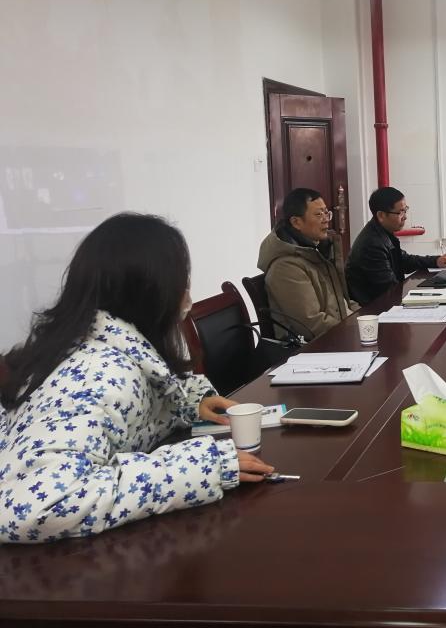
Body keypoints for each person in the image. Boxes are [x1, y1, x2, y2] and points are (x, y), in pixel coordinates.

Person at [0, 213, 273, 544]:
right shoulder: (99, 373)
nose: (186, 295)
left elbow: (128, 414)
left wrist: (187, 403)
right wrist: (197, 468)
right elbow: (36, 507)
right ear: (150, 293)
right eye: (180, 282)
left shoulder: (97, 342)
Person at [257, 188, 358, 340]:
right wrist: (355, 331)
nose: (326, 219)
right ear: (296, 222)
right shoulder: (285, 267)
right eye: (318, 214)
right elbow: (312, 324)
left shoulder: (316, 251)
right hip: (317, 346)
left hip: (340, 331)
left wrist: (367, 318)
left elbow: (342, 303)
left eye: (326, 213)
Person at [345, 187, 446, 305]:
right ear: (381, 215)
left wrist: (435, 260)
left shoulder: (382, 232)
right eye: (400, 212)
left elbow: (403, 260)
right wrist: (423, 296)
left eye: (405, 210)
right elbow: (389, 289)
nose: (405, 216)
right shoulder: (371, 244)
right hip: (374, 309)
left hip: (386, 302)